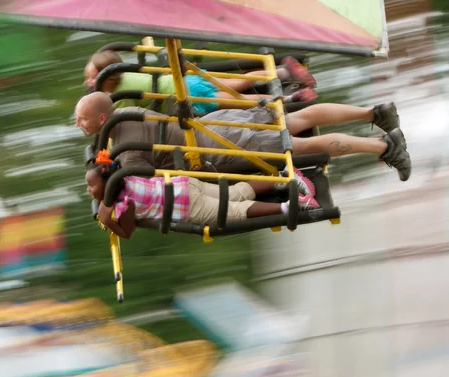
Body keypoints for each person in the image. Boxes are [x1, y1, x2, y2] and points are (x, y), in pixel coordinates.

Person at [75, 92, 412, 181]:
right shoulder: (126, 113)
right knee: (297, 119)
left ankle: (383, 145)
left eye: (82, 119)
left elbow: (136, 174)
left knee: (299, 146)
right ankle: (374, 112)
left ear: (102, 118)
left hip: (223, 146)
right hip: (218, 123)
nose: (78, 124)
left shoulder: (122, 144)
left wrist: (108, 171)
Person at [86, 161, 320, 240]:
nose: (88, 190)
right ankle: (284, 178)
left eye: (91, 185)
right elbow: (152, 174)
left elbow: (128, 231)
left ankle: (291, 205)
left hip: (185, 205)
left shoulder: (124, 203)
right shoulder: (127, 177)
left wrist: (108, 221)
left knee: (233, 210)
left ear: (107, 186)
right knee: (236, 192)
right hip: (183, 184)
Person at [84, 50, 317, 114]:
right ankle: (284, 72)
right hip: (188, 81)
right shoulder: (128, 74)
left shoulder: (118, 97)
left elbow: (119, 117)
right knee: (238, 83)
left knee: (243, 100)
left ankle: (289, 99)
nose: (89, 82)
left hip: (190, 97)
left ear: (109, 77)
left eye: (93, 77)